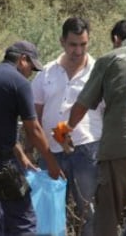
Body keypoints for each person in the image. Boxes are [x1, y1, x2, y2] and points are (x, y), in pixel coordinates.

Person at [0, 40, 64, 236]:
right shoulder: (19, 83)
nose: (30, 73)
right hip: (2, 165)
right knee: (23, 220)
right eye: (31, 68)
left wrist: (22, 157)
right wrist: (52, 164)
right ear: (23, 59)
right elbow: (33, 129)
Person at [54, 19, 126, 236]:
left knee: (105, 214)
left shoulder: (109, 60)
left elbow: (82, 104)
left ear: (116, 39)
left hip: (117, 151)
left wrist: (65, 129)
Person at [30, 17, 103, 236]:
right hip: (52, 153)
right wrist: (35, 148)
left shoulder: (98, 71)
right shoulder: (46, 72)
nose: (78, 51)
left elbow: (108, 113)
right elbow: (34, 114)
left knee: (88, 212)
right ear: (62, 41)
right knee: (50, 213)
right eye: (73, 44)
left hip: (87, 151)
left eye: (83, 44)